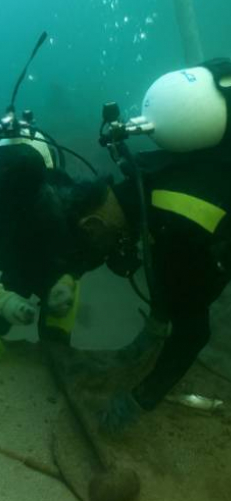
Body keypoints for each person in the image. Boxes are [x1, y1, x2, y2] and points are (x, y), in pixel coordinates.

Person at [69, 60, 231, 432]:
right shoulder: (144, 182)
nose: (102, 254)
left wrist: (140, 399)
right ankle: (151, 338)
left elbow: (194, 331)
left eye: (93, 244)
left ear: (94, 222)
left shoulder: (178, 225)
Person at [0, 133, 89, 343]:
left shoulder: (60, 194)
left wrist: (68, 279)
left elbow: (86, 248)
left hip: (55, 272)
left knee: (55, 349)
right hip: (13, 272)